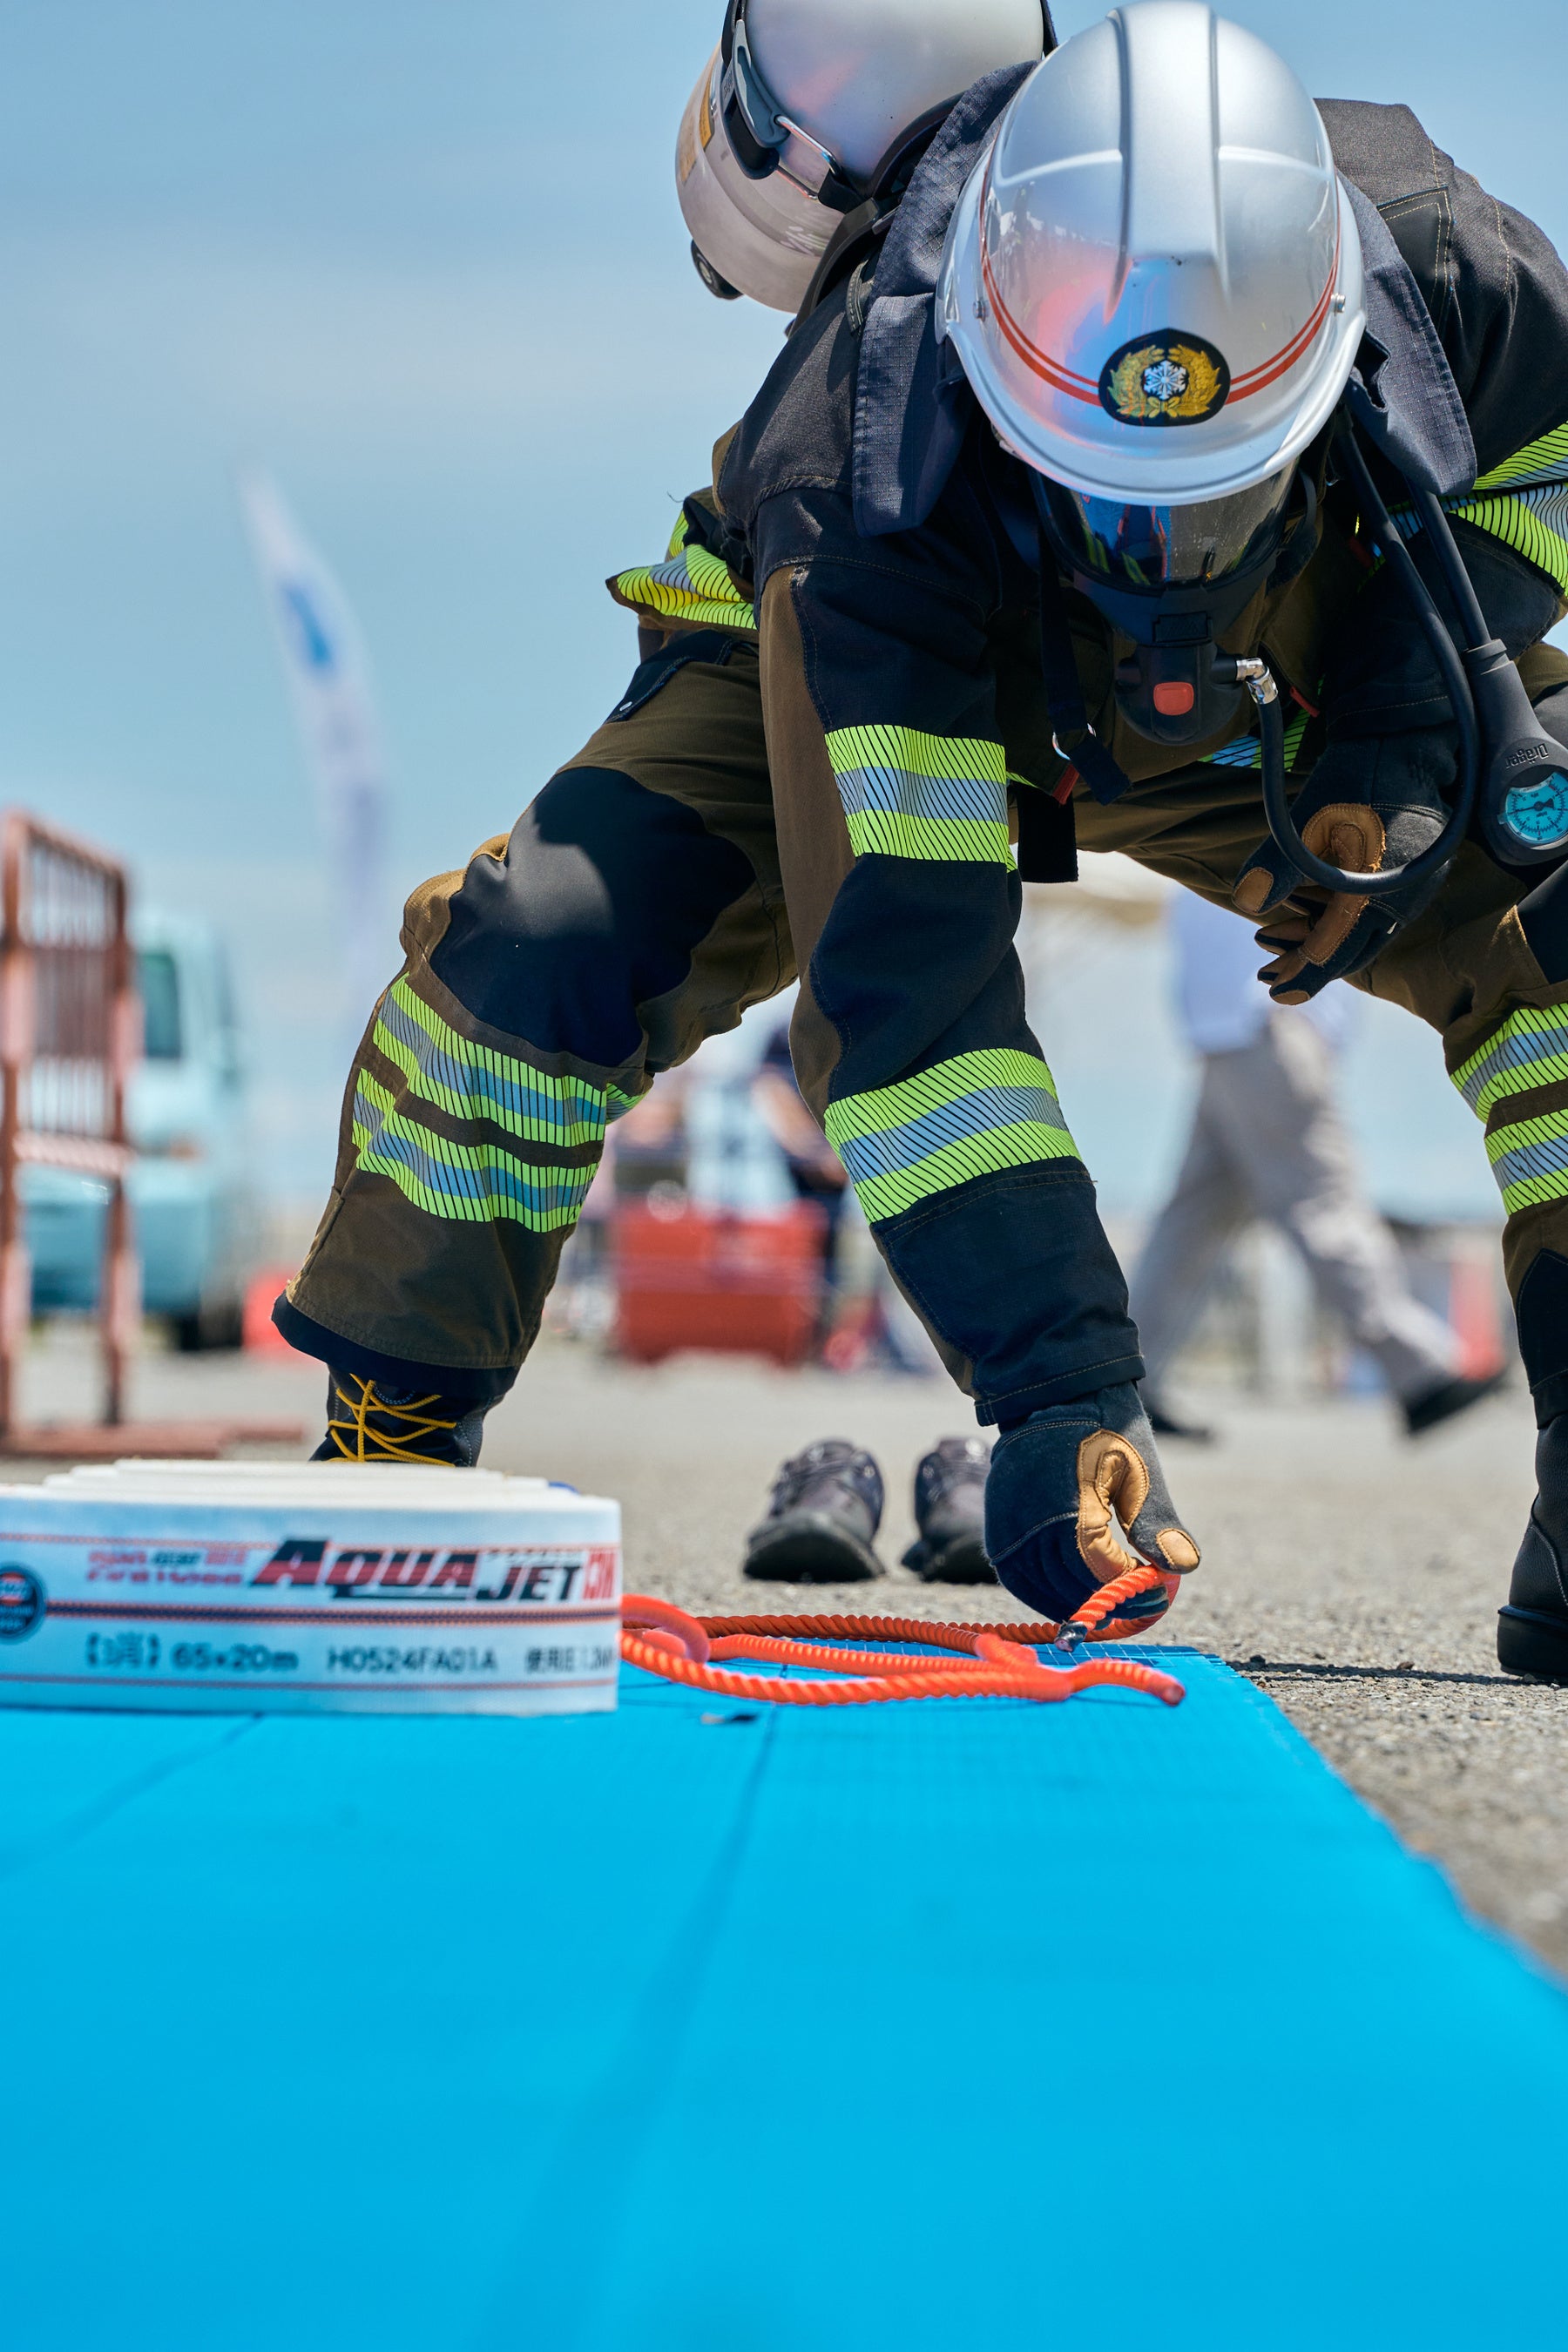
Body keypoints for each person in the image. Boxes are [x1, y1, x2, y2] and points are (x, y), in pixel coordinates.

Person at [278, 4, 1568, 1681]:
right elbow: (914, 993)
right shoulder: (855, 469)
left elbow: (1534, 487)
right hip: (886, 630)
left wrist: (1400, 741)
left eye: (1197, 492)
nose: (1148, 545)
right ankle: (391, 1459)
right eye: (1108, 496)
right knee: (539, 953)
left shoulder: (1464, 274)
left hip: (1286, 658)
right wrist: (1063, 1392)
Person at [1132, 889, 1505, 1441]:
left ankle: (1124, 1380)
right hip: (1270, 1024)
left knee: (1192, 1224)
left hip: (1226, 1032)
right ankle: (1420, 1371)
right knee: (1321, 1204)